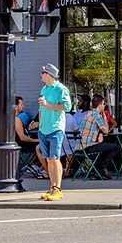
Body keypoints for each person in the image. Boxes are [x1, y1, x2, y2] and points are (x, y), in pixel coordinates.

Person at [37, 63, 72, 202]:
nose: (41, 75)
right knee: (48, 159)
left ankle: (57, 189)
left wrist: (48, 105)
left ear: (49, 75)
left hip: (56, 128)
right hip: (43, 129)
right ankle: (52, 188)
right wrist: (40, 124)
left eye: (43, 73)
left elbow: (67, 107)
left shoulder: (61, 89)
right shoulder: (44, 89)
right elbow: (41, 109)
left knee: (55, 158)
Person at [79, 95, 121, 177]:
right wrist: (104, 116)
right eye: (104, 104)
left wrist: (100, 134)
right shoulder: (96, 115)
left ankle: (98, 169)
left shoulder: (89, 113)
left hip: (80, 146)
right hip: (88, 146)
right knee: (116, 147)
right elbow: (106, 131)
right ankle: (102, 168)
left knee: (104, 147)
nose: (105, 106)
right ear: (100, 104)